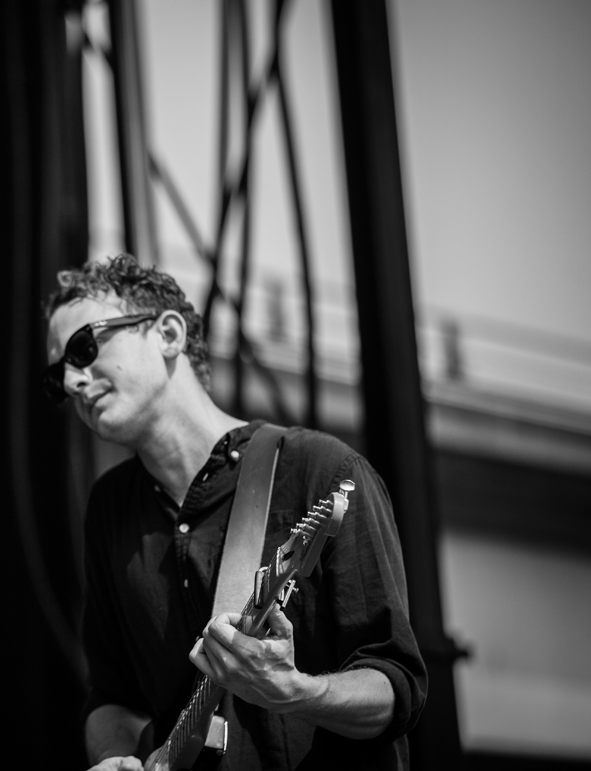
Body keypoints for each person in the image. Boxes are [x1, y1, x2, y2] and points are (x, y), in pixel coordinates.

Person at [44, 255, 427, 770]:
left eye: (84, 348)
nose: (71, 382)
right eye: (57, 375)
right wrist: (117, 756)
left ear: (169, 334)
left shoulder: (322, 470)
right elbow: (112, 694)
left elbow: (396, 686)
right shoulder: (110, 508)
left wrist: (293, 691)